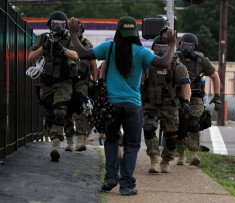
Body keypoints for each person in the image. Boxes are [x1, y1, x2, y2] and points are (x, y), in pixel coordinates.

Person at [68, 16, 177, 196]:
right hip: (133, 106)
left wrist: (73, 34)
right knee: (131, 145)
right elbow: (164, 62)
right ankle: (126, 184)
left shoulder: (109, 47)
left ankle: (111, 177)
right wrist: (172, 44)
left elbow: (83, 53)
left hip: (110, 105)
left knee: (111, 140)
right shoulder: (141, 51)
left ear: (118, 31)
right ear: (135, 33)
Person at [28, 11, 78, 162]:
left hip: (63, 83)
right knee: (49, 116)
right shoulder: (42, 38)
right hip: (46, 84)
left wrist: (61, 49)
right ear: (50, 25)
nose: (58, 27)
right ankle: (54, 138)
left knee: (60, 112)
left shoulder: (68, 39)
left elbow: (76, 55)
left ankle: (55, 146)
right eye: (55, 24)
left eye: (61, 25)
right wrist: (44, 47)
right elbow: (30, 58)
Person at [142, 34, 191, 174]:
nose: (161, 50)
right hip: (152, 104)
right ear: (153, 48)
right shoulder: (148, 64)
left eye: (164, 47)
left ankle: (166, 160)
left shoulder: (176, 65)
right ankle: (154, 159)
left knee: (171, 137)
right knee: (148, 128)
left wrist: (186, 101)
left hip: (170, 106)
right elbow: (141, 81)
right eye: (158, 47)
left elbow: (185, 85)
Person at [176, 33, 221, 166]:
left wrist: (217, 96)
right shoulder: (175, 58)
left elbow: (215, 76)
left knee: (193, 122)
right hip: (178, 97)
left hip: (195, 97)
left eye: (190, 46)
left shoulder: (202, 61)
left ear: (194, 47)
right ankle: (181, 153)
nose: (187, 48)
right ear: (180, 45)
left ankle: (193, 154)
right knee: (179, 124)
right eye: (184, 45)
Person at [64, 20, 98, 152]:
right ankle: (69, 140)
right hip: (66, 81)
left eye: (78, 30)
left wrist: (94, 83)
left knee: (81, 109)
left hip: (82, 81)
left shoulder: (86, 44)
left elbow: (93, 64)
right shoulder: (66, 43)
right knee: (65, 110)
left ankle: (80, 139)